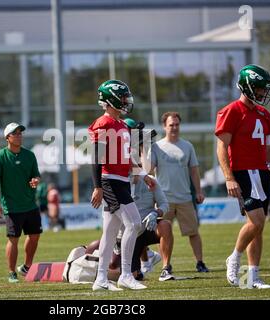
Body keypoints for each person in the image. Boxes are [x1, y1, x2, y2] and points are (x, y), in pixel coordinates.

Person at [215, 64, 270, 289]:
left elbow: (268, 148)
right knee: (257, 221)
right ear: (248, 87)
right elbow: (221, 147)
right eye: (260, 88)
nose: (264, 93)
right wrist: (229, 177)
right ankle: (234, 257)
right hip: (243, 173)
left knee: (259, 226)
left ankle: (251, 278)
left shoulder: (263, 113)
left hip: (262, 172)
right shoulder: (231, 111)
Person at [89, 79, 154, 291]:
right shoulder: (104, 123)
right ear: (111, 100)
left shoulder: (123, 125)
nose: (126, 101)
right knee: (134, 224)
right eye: (123, 97)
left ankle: (100, 279)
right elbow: (96, 158)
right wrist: (98, 186)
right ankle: (126, 274)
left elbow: (126, 159)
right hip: (111, 181)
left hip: (122, 180)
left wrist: (143, 174)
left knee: (109, 232)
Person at [149, 111, 209, 273]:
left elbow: (194, 171)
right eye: (171, 125)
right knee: (162, 233)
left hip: (184, 198)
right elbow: (148, 169)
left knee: (193, 232)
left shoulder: (187, 146)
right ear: (164, 126)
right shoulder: (156, 146)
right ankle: (165, 266)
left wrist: (199, 191)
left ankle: (200, 262)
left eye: (177, 124)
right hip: (163, 200)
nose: (174, 127)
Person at [86, 173, 173, 282]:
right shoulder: (116, 183)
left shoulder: (150, 180)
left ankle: (166, 268)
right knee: (119, 268)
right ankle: (142, 262)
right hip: (126, 235)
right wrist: (117, 239)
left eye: (138, 164)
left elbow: (164, 204)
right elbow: (109, 217)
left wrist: (155, 213)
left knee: (166, 225)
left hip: (146, 229)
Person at [0, 122, 41, 283]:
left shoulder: (29, 155)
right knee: (13, 239)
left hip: (30, 204)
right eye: (15, 133)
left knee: (34, 236)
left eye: (20, 133)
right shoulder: (0, 157)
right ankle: (11, 272)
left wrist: (35, 180)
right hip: (11, 206)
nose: (19, 136)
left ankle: (26, 266)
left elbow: (36, 175)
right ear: (7, 137)